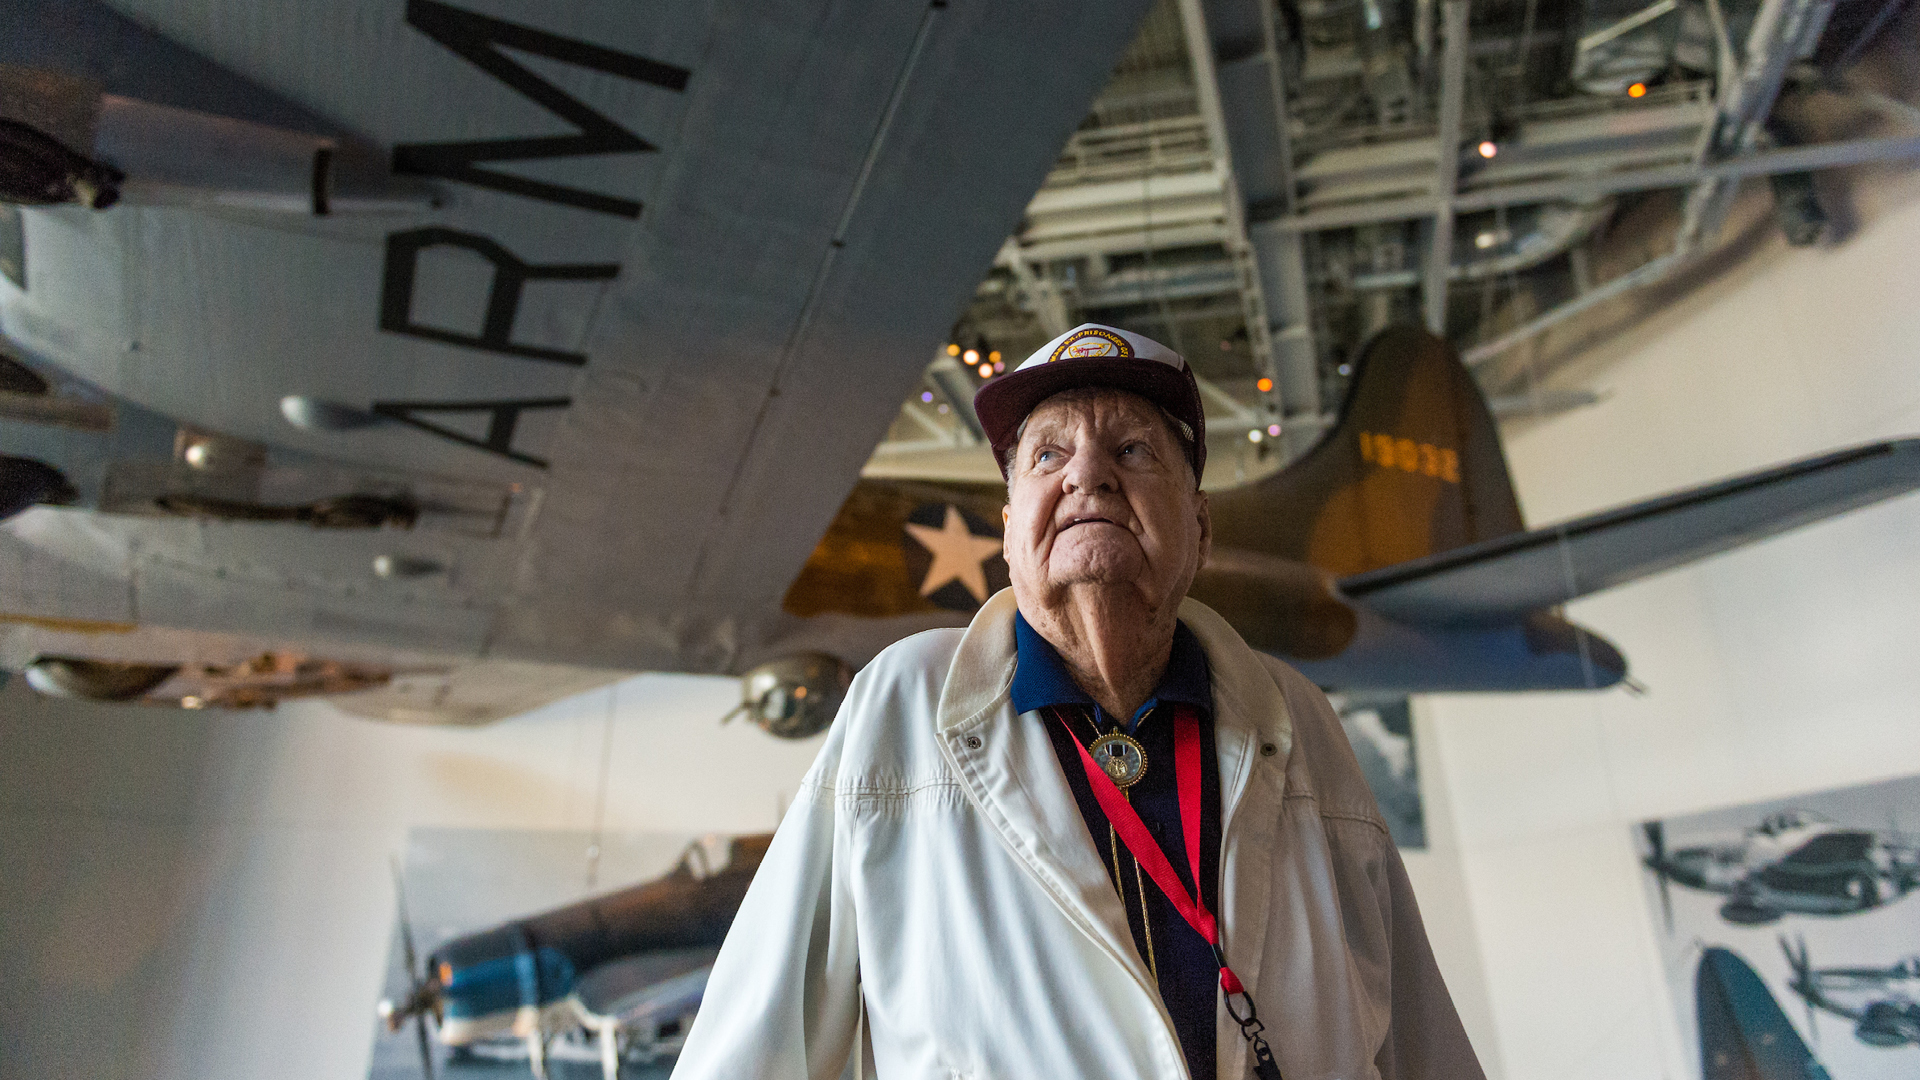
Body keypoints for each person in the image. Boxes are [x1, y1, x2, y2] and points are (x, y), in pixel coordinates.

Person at [671, 324, 1485, 1080]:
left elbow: (1419, 1042)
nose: (1087, 473)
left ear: (1200, 528)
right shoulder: (901, 704)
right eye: (1047, 455)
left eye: (1132, 450)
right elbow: (747, 1052)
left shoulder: (1298, 718)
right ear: (1007, 530)